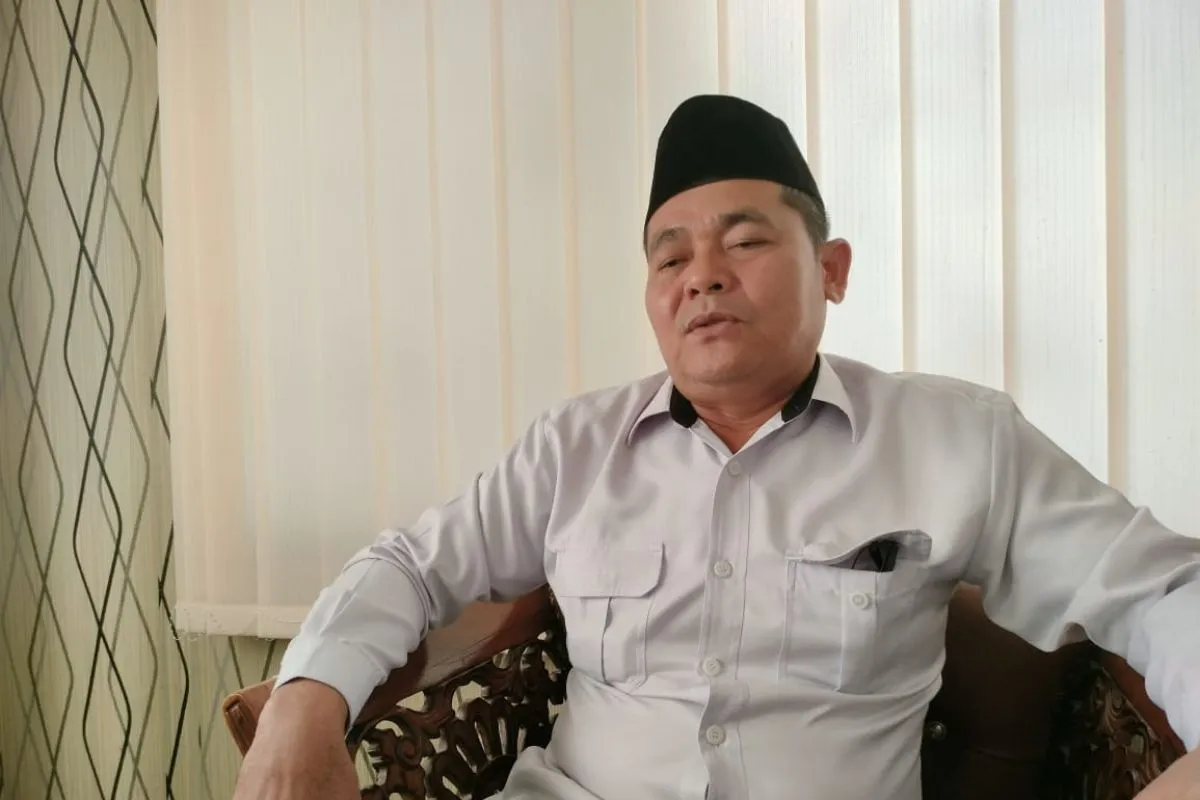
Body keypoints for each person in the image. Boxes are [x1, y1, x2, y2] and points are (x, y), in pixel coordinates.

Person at [233, 94, 1200, 800]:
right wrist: (306, 699)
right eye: (671, 255)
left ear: (831, 270)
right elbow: (410, 565)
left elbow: (1157, 585)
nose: (702, 276)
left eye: (744, 242)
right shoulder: (574, 448)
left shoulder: (956, 439)